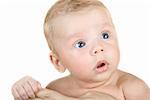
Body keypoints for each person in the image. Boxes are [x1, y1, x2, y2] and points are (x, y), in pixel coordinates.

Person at [11, 0, 150, 100]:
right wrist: (26, 90)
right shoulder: (55, 89)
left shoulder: (131, 88)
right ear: (58, 62)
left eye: (105, 35)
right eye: (81, 44)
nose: (98, 48)